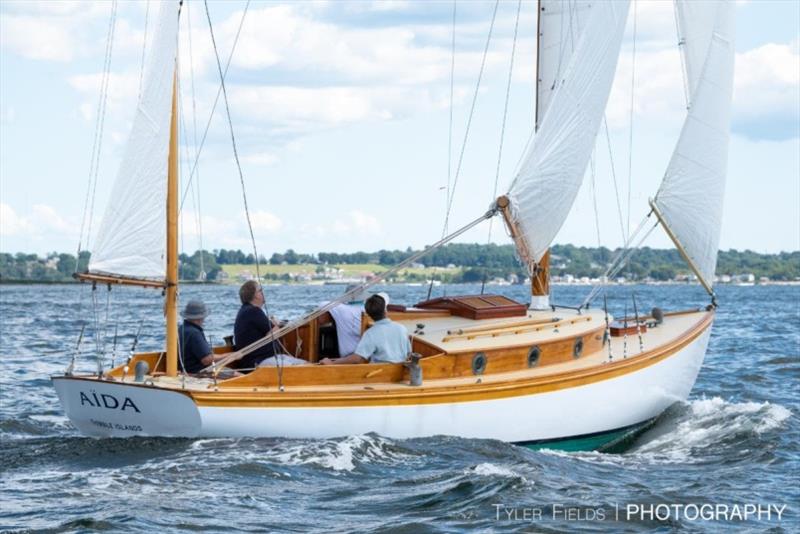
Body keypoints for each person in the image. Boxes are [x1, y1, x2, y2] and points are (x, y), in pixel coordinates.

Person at [319, 293, 411, 365]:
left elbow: (357, 359)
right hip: (400, 370)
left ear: (368, 314)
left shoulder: (370, 334)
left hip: (380, 373)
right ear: (385, 310)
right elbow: (408, 354)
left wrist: (331, 363)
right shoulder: (402, 328)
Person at [234, 280, 306, 369]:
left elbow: (268, 332)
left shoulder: (247, 311)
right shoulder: (253, 311)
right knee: (302, 368)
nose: (263, 293)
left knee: (306, 365)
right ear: (255, 295)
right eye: (260, 291)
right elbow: (274, 334)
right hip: (257, 361)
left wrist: (274, 325)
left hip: (266, 358)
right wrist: (276, 325)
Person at [178, 300, 230, 374]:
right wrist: (230, 356)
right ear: (201, 317)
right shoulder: (194, 333)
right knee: (239, 376)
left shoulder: (181, 328)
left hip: (185, 371)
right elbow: (206, 360)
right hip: (198, 372)